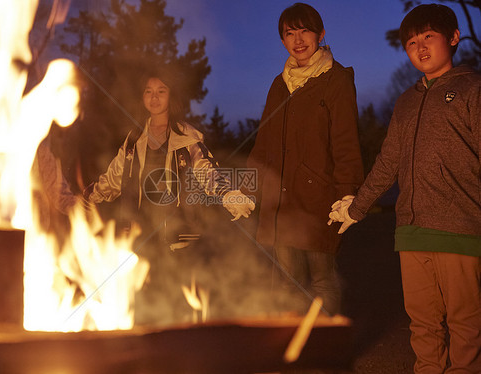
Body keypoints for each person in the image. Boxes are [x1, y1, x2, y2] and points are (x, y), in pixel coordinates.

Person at [328, 4, 481, 373]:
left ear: (454, 37)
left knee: (465, 327)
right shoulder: (406, 101)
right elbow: (387, 163)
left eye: (429, 36)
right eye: (412, 42)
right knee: (423, 326)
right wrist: (356, 207)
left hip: (460, 228)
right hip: (411, 232)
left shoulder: (472, 88)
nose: (420, 47)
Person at [85, 68, 254, 324]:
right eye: (148, 91)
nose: (154, 97)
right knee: (141, 309)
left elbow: (207, 170)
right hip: (139, 239)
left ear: (171, 96)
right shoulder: (133, 139)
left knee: (179, 309)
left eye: (161, 91)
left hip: (179, 239)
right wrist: (86, 199)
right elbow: (113, 177)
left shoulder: (187, 137)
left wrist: (228, 193)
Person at [247, 3, 363, 317]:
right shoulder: (279, 84)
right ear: (282, 40)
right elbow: (263, 144)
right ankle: (293, 355)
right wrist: (244, 189)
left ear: (320, 34)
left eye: (304, 30)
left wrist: (348, 193)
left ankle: (327, 354)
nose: (298, 39)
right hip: (281, 202)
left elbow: (346, 143)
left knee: (323, 280)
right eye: (289, 33)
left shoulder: (335, 79)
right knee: (286, 283)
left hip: (319, 200)